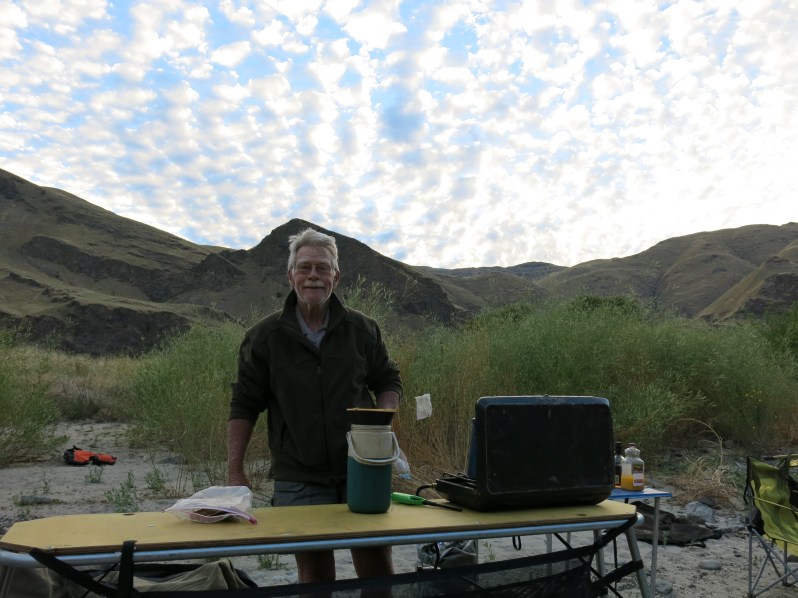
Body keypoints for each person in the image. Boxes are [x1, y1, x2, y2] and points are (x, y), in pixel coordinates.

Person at [227, 227, 402, 585]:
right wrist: (235, 471)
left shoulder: (363, 330)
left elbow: (387, 380)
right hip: (298, 473)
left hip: (362, 468)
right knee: (315, 572)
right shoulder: (265, 337)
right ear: (290, 275)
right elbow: (244, 403)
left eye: (322, 268)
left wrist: (382, 432)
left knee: (376, 565)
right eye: (305, 267)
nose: (313, 276)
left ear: (336, 276)